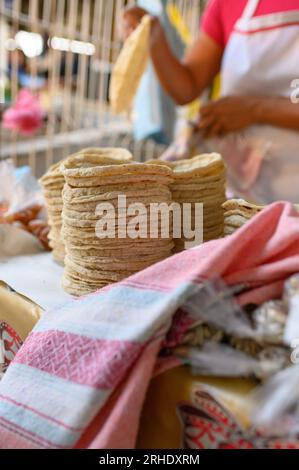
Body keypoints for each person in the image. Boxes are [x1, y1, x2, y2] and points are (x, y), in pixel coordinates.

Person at [121, 0, 299, 204]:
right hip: (241, 187)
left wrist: (254, 109)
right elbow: (186, 88)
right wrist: (153, 36)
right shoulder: (228, 4)